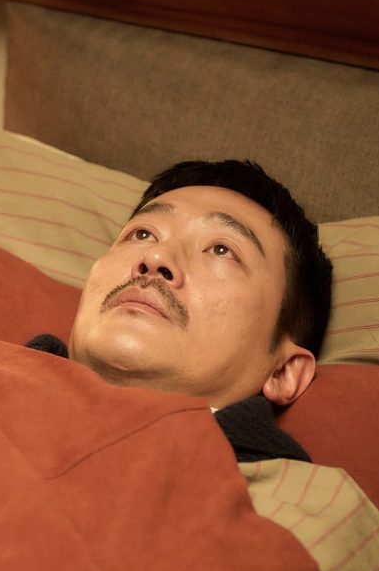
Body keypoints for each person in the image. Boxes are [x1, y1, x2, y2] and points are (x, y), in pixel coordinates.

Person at [28, 159, 333, 462]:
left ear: (283, 372)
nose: (156, 256)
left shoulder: (284, 490)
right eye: (142, 234)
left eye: (221, 250)